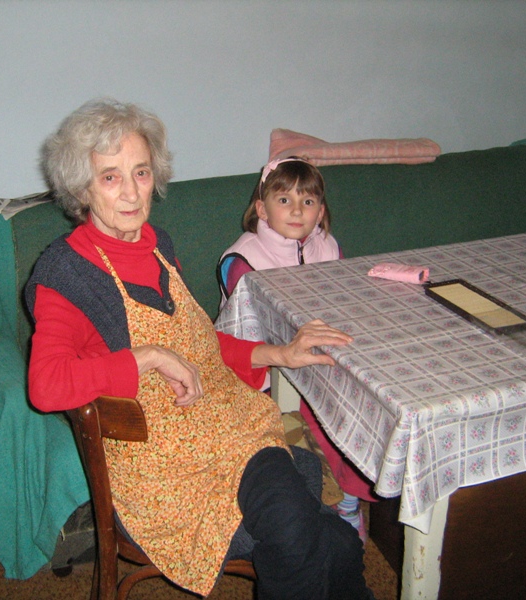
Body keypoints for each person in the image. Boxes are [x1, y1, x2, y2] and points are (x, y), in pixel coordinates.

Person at [26, 98, 373, 600]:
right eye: (110, 177)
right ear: (82, 188)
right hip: (165, 468)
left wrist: (279, 353)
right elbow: (46, 386)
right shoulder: (66, 272)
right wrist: (148, 356)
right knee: (316, 537)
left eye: (141, 172)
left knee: (330, 540)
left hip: (227, 428)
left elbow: (200, 345)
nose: (131, 192)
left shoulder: (158, 245)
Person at [217, 157, 378, 542]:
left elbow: (345, 300)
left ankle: (350, 500)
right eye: (284, 200)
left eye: (307, 202)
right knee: (318, 418)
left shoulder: (327, 246)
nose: (296, 210)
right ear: (262, 209)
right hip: (263, 370)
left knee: (362, 401)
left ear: (320, 212)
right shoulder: (242, 259)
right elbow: (250, 329)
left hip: (320, 357)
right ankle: (323, 500)